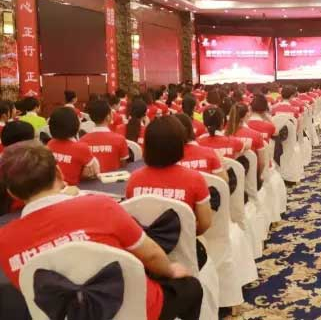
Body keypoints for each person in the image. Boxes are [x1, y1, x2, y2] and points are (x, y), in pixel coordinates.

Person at [0, 141, 204, 320]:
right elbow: (151, 255)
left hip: (67, 314)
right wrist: (171, 270)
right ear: (59, 173)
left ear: (11, 193)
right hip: (140, 309)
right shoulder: (100, 206)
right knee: (191, 286)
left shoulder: (4, 240)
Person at [126, 116, 212, 236]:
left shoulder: (134, 179)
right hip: (183, 245)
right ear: (179, 145)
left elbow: (130, 219)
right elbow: (205, 223)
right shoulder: (195, 179)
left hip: (144, 245)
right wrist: (184, 237)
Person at [47, 107, 100, 185]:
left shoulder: (50, 144)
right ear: (75, 124)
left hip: (52, 187)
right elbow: (95, 171)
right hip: (73, 188)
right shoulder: (81, 148)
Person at [80, 100, 129, 173]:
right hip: (114, 179)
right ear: (108, 117)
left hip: (92, 179)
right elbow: (124, 166)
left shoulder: (82, 141)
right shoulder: (120, 139)